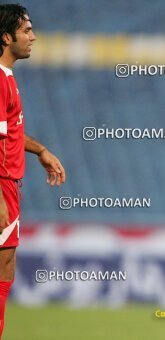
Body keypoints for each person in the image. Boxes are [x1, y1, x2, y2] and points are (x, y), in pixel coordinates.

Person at [0, 4, 66, 337]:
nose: (33, 37)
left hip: (9, 183)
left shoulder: (7, 79)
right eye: (26, 30)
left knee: (6, 265)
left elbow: (9, 132)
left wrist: (39, 149)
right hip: (1, 186)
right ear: (6, 36)